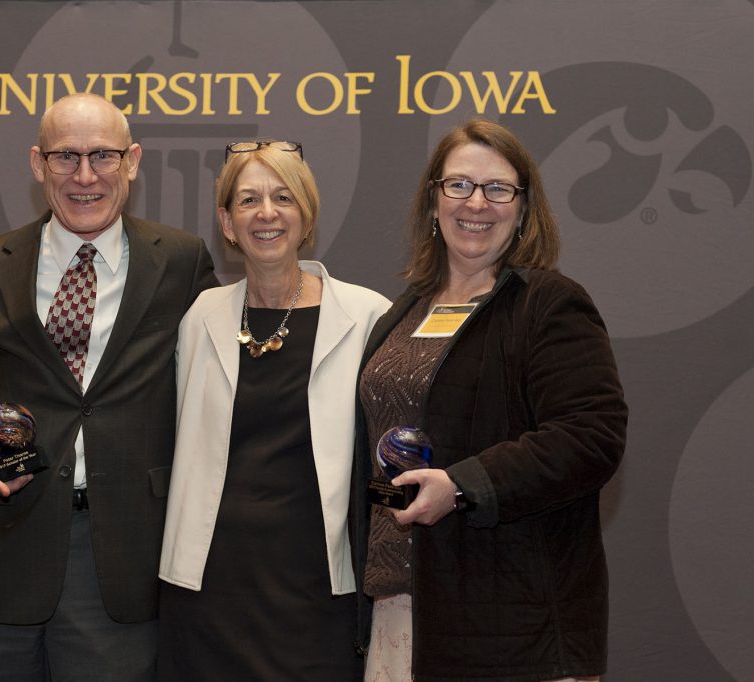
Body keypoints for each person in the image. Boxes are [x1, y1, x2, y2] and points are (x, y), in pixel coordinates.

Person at [0, 93, 218, 681]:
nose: (85, 176)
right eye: (65, 157)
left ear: (132, 161)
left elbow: (215, 394)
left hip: (124, 561)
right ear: (38, 164)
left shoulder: (181, 263)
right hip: (0, 557)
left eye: (103, 156)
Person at [351, 119, 628, 681]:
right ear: (433, 200)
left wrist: (460, 487)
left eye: (498, 188)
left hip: (509, 624)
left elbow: (591, 436)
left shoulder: (549, 304)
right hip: (399, 604)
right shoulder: (403, 312)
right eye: (457, 185)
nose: (476, 202)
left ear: (524, 208)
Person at [157, 140, 390, 680]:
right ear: (227, 222)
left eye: (283, 197)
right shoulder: (199, 316)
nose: (266, 213)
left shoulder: (367, 314)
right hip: (209, 589)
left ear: (306, 215)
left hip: (318, 588)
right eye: (248, 200)